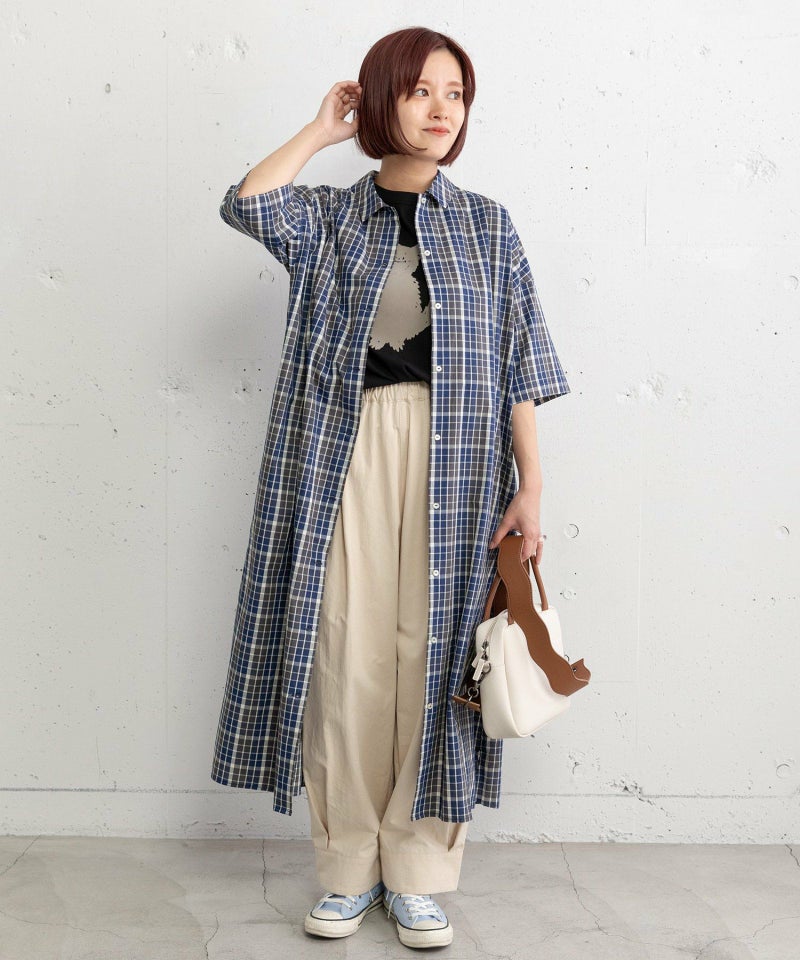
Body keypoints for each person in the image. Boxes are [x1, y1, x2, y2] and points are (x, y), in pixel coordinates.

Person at [211, 26, 570, 950]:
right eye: (418, 91)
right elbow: (248, 204)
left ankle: (418, 874)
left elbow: (521, 364)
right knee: (347, 653)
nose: (442, 108)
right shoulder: (332, 219)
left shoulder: (488, 225)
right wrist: (320, 131)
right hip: (346, 449)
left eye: (455, 92)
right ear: (380, 101)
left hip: (460, 460)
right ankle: (346, 867)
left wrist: (532, 487)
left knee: (437, 658)